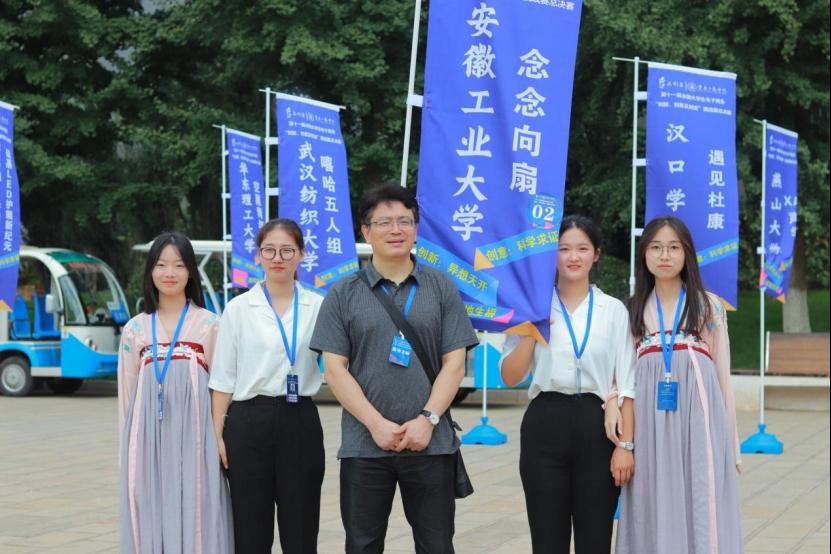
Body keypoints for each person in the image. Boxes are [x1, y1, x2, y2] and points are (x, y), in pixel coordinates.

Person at [310, 185, 479, 554]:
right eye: (384, 222)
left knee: (436, 546)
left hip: (431, 444)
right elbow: (334, 370)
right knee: (362, 545)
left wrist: (427, 420)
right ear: (366, 231)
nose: (396, 230)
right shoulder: (343, 293)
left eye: (405, 221)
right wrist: (375, 424)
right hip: (364, 445)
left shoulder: (440, 286)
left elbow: (455, 363)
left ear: (416, 229)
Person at [499, 215, 636, 553]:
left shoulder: (613, 310)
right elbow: (510, 376)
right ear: (552, 254)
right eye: (563, 249)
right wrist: (532, 329)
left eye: (582, 249)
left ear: (596, 254)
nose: (573, 257)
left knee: (595, 539)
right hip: (545, 421)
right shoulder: (531, 306)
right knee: (547, 539)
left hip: (597, 425)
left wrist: (625, 446)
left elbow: (627, 381)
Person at [616, 216, 743, 553]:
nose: (665, 256)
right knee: (651, 492)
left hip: (699, 418)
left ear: (687, 253)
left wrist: (731, 443)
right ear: (644, 254)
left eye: (674, 247)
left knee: (700, 493)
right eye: (656, 247)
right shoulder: (630, 310)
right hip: (648, 421)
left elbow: (722, 376)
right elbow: (621, 378)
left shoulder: (708, 306)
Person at [209, 218, 326, 553]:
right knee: (250, 531)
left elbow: (337, 364)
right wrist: (218, 435)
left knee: (301, 528)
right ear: (257, 256)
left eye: (287, 250)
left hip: (299, 420)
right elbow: (223, 378)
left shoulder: (318, 307)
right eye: (269, 250)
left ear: (301, 254)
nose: (278, 258)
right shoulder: (238, 309)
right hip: (248, 422)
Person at [118, 231, 233, 554]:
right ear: (150, 271)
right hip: (147, 438)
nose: (169, 273)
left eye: (179, 265)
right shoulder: (135, 329)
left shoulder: (210, 325)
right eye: (161, 265)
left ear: (191, 272)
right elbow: (127, 393)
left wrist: (219, 435)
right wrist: (127, 449)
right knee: (150, 502)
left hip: (198, 435)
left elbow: (223, 387)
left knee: (200, 504)